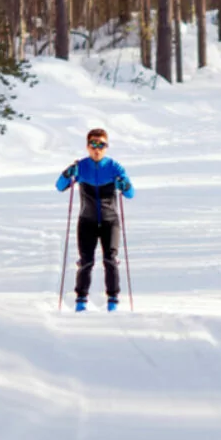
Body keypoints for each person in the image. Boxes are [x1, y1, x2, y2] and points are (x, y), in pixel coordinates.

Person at [55, 128, 135, 312]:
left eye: (101, 145)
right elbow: (60, 187)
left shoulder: (114, 167)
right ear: (87, 146)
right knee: (86, 261)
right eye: (93, 144)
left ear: (106, 147)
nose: (97, 149)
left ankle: (113, 301)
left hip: (110, 221)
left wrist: (124, 184)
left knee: (110, 259)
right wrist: (68, 173)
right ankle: (81, 301)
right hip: (87, 221)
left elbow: (130, 194)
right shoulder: (81, 167)